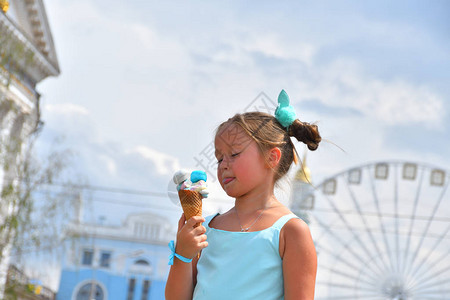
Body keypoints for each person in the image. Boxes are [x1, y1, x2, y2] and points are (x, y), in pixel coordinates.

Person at [165, 90, 321, 300]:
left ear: (272, 157)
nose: (223, 166)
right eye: (219, 159)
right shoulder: (204, 229)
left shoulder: (291, 232)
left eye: (234, 154)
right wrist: (183, 254)